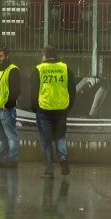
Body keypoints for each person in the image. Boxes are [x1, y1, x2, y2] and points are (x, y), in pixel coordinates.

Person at [30, 45, 76, 179]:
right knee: (60, 137)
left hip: (44, 110)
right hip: (61, 110)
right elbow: (72, 89)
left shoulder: (39, 69)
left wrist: (35, 108)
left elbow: (33, 92)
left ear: (44, 55)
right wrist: (68, 106)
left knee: (46, 141)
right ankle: (63, 159)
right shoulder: (65, 68)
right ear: (55, 55)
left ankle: (49, 171)